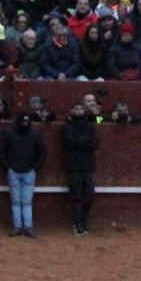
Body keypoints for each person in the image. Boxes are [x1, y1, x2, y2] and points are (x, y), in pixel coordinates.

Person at [0, 113, 46, 237]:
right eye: (24, 121)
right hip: (16, 172)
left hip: (26, 172)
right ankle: (20, 227)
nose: (25, 123)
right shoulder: (32, 133)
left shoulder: (10, 132)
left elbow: (43, 151)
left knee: (24, 201)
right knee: (18, 201)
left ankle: (25, 227)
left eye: (27, 121)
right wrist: (8, 169)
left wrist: (35, 169)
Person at [62, 99, 98, 236]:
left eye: (81, 109)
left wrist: (79, 142)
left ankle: (82, 220)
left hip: (87, 166)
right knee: (76, 196)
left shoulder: (90, 123)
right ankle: (78, 223)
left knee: (90, 195)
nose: (79, 111)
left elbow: (95, 142)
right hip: (73, 165)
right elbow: (70, 143)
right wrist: (85, 142)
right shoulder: (67, 126)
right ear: (71, 111)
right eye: (76, 109)